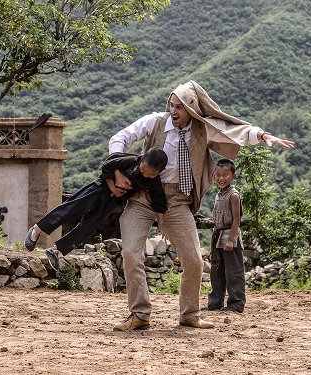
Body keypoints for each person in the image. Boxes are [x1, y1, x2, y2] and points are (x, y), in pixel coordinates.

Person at [110, 81, 294, 331]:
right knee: (131, 253)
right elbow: (121, 137)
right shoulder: (155, 122)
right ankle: (139, 314)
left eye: (179, 107)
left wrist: (263, 135)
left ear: (191, 110)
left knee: (194, 260)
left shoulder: (202, 129)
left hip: (177, 201)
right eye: (172, 105)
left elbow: (233, 131)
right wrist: (117, 168)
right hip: (142, 197)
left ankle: (189, 314)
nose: (174, 111)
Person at [25, 148, 169, 271]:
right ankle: (37, 229)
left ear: (159, 173)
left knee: (88, 226)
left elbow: (159, 201)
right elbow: (107, 165)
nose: (145, 175)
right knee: (70, 210)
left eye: (151, 175)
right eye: (143, 170)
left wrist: (162, 224)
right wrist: (114, 186)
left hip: (112, 201)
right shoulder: (130, 160)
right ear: (142, 159)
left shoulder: (153, 181)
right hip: (99, 188)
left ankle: (56, 251)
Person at [207, 159, 245, 312]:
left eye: (225, 175)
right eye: (217, 175)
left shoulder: (234, 195)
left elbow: (237, 219)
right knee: (217, 272)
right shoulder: (218, 194)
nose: (221, 178)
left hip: (230, 236)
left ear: (233, 176)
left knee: (233, 272)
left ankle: (236, 304)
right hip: (218, 237)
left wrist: (230, 240)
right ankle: (215, 302)